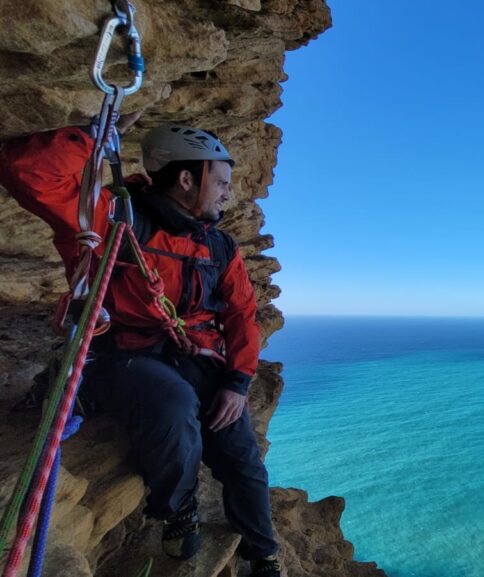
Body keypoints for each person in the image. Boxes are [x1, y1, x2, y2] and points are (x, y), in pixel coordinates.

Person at [0, 114, 283, 577]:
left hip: (188, 350)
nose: (229, 193)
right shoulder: (116, 215)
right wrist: (91, 139)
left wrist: (237, 381)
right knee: (173, 405)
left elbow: (240, 315)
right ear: (188, 178)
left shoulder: (219, 246)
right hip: (122, 352)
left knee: (240, 449)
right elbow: (27, 172)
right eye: (223, 182)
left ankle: (262, 551)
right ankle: (176, 508)